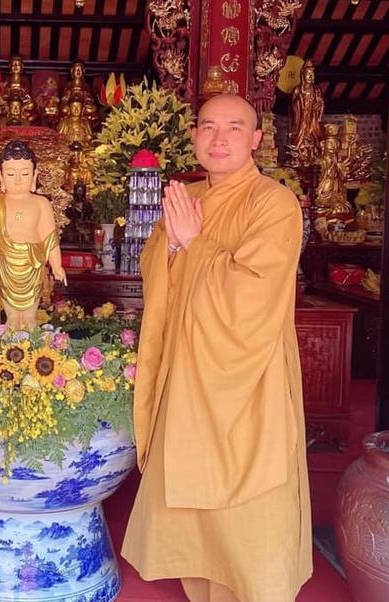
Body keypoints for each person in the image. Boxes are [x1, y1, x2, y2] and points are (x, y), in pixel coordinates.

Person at [122, 93, 311, 602]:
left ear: (256, 139)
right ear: (194, 137)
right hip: (188, 370)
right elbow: (156, 270)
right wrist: (174, 242)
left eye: (234, 127)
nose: (219, 138)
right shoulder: (188, 198)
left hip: (247, 376)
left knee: (250, 499)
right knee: (190, 490)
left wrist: (193, 242)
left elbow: (254, 293)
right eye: (208, 127)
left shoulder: (273, 202)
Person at [0, 138, 67, 330]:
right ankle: (11, 347)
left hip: (32, 264)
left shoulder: (41, 203)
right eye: (11, 174)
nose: (18, 179)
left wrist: (56, 265)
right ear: (1, 177)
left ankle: (31, 346)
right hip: (6, 263)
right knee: (12, 319)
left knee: (29, 320)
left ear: (35, 175)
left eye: (25, 173)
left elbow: (49, 237)